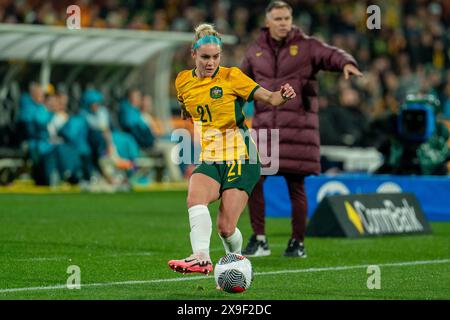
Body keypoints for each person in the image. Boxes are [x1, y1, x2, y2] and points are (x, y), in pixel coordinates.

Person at [168, 23, 296, 275]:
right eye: (205, 57)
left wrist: (283, 94)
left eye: (216, 57)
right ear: (193, 55)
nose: (210, 62)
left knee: (226, 228)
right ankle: (201, 256)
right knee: (195, 196)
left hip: (242, 157)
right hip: (211, 157)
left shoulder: (231, 77)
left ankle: (235, 262)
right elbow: (186, 108)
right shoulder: (182, 81)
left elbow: (271, 98)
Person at [240, 1, 363, 257]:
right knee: (254, 181)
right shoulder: (254, 52)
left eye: (287, 17)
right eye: (278, 18)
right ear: (267, 22)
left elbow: (331, 54)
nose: (284, 22)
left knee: (296, 186)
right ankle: (259, 239)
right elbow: (239, 83)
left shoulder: (307, 46)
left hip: (298, 131)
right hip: (264, 132)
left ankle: (297, 243)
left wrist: (345, 64)